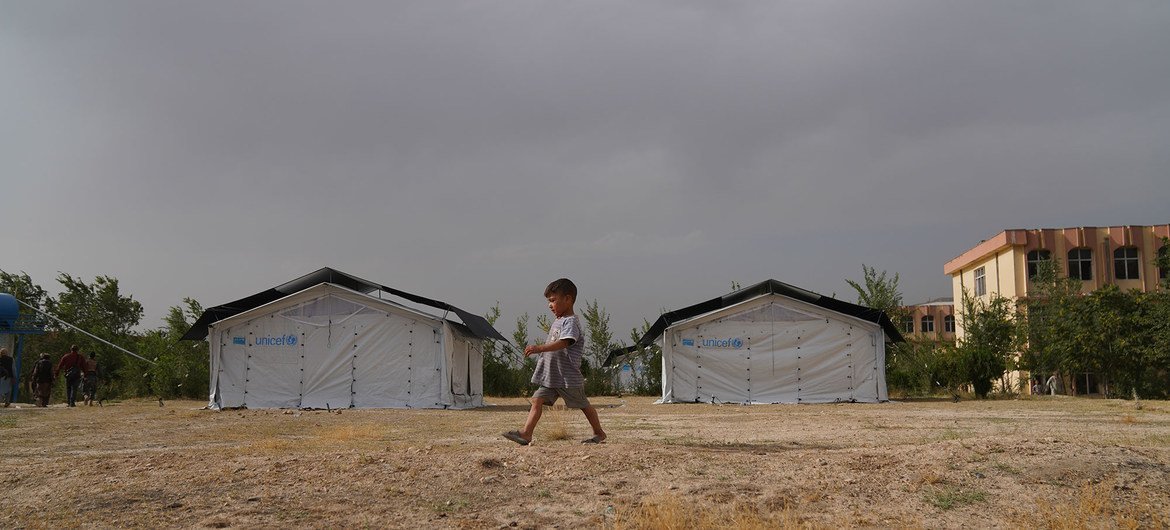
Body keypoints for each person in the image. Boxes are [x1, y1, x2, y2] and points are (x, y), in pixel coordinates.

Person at [503, 278, 607, 446]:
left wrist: (540, 348)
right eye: (548, 301)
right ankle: (526, 434)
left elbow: (564, 343)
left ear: (568, 299)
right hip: (552, 376)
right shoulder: (559, 320)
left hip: (567, 377)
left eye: (553, 300)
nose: (549, 305)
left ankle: (599, 432)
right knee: (537, 400)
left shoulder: (571, 321)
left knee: (583, 404)